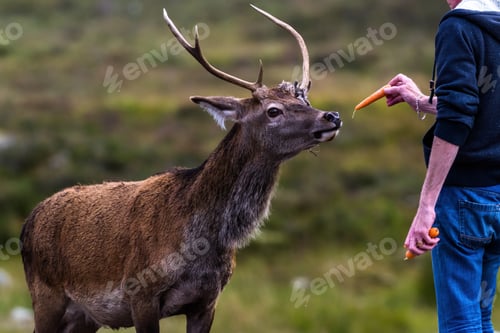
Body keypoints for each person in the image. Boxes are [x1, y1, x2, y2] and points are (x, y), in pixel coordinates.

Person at [383, 0, 500, 332]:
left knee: (460, 324)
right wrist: (419, 100)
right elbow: (479, 104)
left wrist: (426, 206)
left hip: (465, 200)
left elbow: (458, 117)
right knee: (481, 317)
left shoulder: (457, 27)